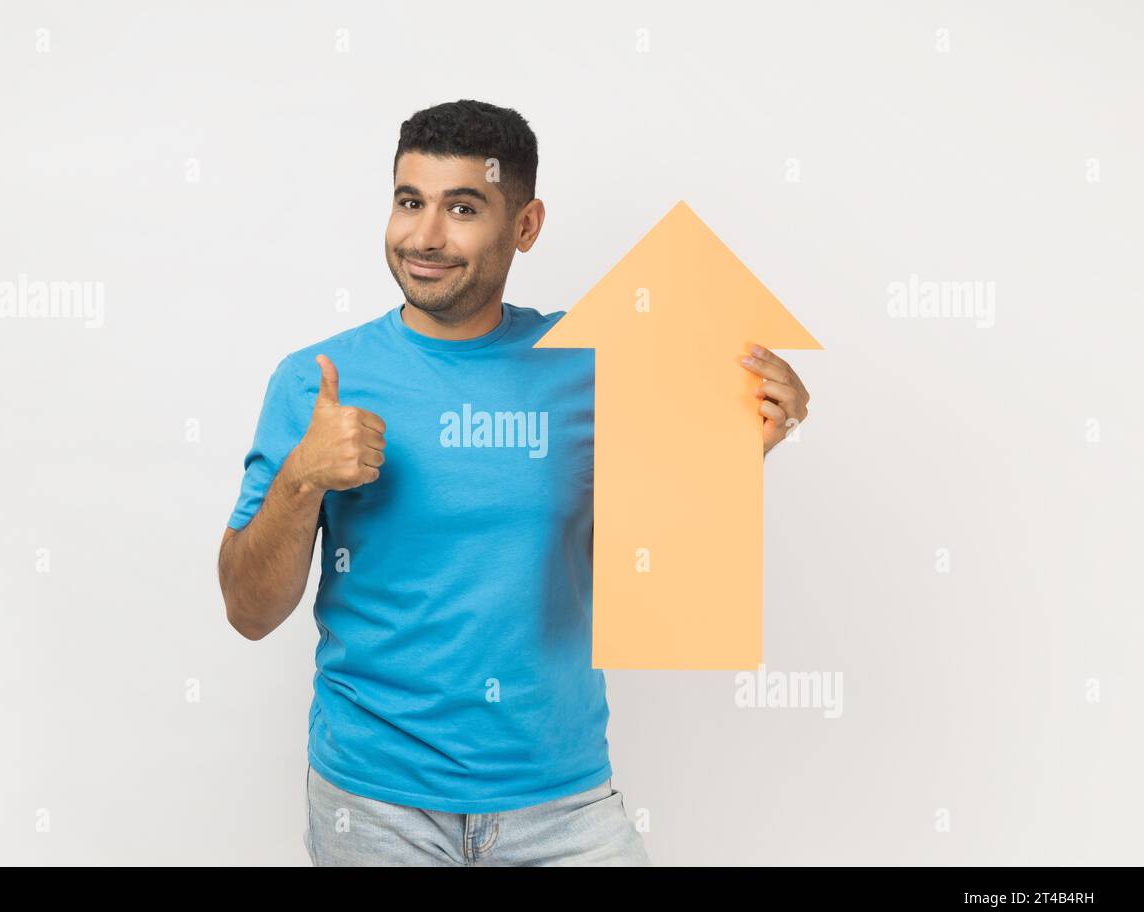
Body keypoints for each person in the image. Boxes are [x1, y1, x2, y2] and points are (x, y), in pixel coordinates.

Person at [217, 99, 811, 866]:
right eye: (409, 202)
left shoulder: (591, 366)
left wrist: (737, 446)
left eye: (462, 207)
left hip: (562, 803)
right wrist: (302, 479)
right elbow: (247, 611)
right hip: (374, 804)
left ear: (526, 226)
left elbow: (647, 557)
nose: (424, 237)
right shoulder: (318, 382)